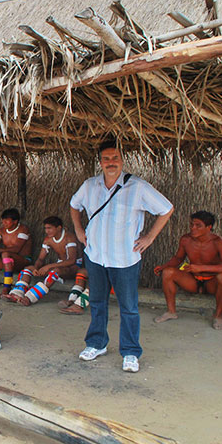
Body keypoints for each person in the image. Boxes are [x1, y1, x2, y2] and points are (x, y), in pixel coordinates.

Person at [70, 139, 173, 373]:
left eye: (115, 158)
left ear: (122, 160)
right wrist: (78, 229)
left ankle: (130, 352)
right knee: (97, 303)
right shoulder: (89, 186)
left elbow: (166, 209)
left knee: (129, 307)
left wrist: (149, 238)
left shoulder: (137, 187)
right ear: (100, 162)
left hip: (125, 259)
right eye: (106, 159)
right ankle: (96, 344)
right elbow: (74, 205)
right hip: (96, 255)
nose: (111, 162)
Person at [153, 211, 222, 330]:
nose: (193, 228)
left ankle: (218, 316)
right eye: (191, 224)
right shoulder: (186, 240)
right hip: (192, 281)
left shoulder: (218, 242)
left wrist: (201, 268)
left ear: (209, 227)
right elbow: (178, 258)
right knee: (168, 272)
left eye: (198, 225)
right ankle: (171, 312)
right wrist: (164, 266)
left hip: (211, 283)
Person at [4, 216, 80, 306]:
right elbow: (40, 259)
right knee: (28, 268)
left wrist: (48, 266)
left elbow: (71, 260)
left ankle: (30, 298)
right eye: (45, 228)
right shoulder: (48, 240)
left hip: (73, 267)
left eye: (49, 228)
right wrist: (36, 268)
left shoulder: (69, 238)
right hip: (58, 265)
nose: (47, 231)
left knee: (55, 271)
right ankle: (16, 294)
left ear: (59, 228)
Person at [0, 208, 32, 295]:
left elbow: (17, 249)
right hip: (7, 263)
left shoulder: (23, 230)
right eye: (3, 221)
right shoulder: (1, 231)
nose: (4, 223)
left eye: (7, 221)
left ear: (15, 221)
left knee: (5, 254)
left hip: (22, 261)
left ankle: (7, 286)